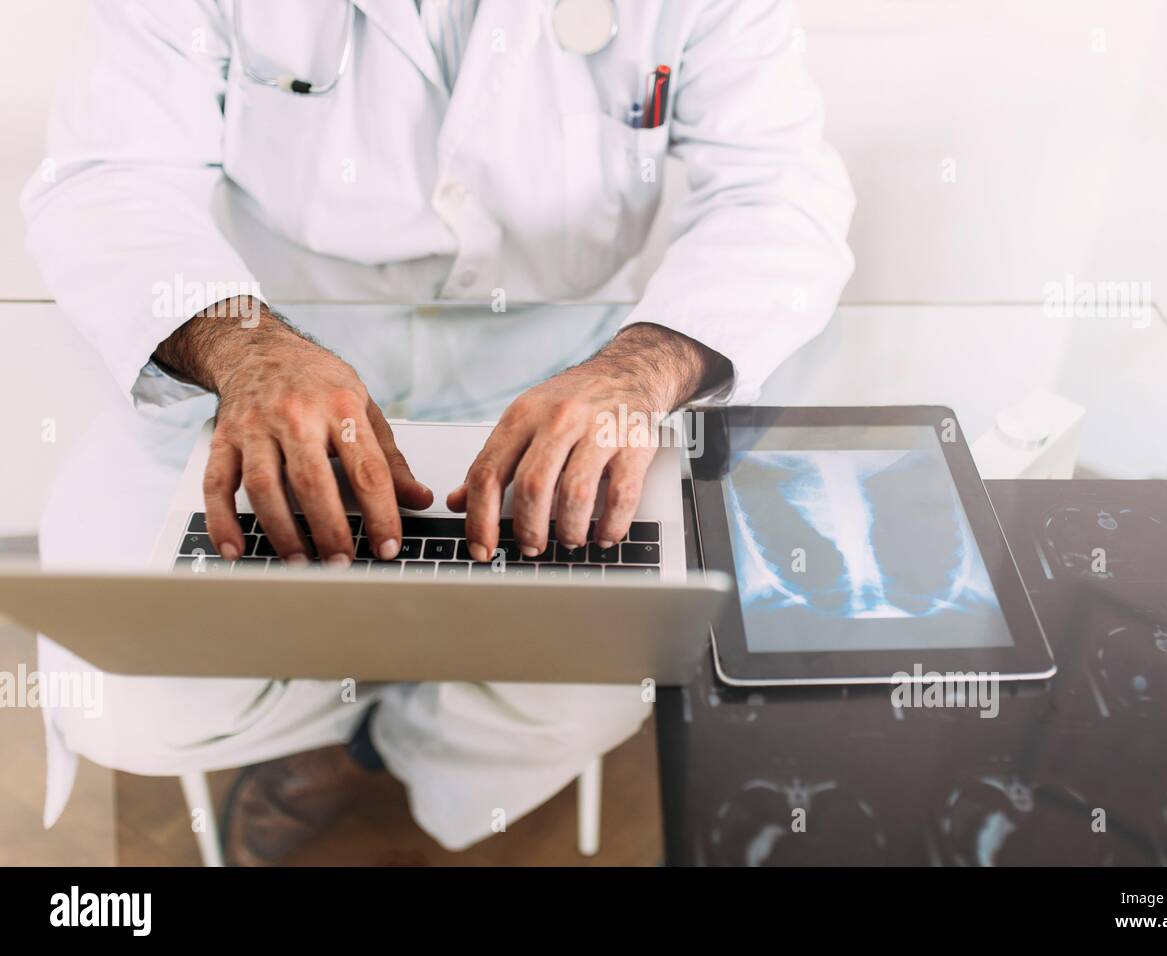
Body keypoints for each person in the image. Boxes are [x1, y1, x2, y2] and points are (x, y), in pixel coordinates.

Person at [21, 0, 853, 862]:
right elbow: (110, 175)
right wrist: (245, 350)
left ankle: (377, 755)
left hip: (564, 366)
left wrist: (639, 371)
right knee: (120, 692)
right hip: (264, 355)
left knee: (590, 687)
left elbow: (780, 194)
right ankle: (353, 711)